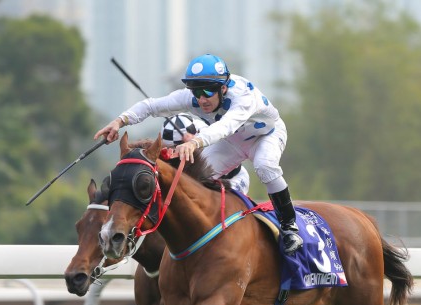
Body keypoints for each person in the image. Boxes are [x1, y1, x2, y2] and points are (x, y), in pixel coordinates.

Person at [94, 53, 303, 253]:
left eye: (208, 91)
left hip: (266, 136)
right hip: (232, 142)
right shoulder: (193, 97)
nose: (202, 98)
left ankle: (289, 227)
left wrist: (195, 142)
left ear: (223, 87)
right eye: (196, 91)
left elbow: (226, 127)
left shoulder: (243, 96)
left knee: (265, 166)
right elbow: (151, 106)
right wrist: (119, 121)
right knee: (196, 180)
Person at [159, 113, 250, 195]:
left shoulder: (207, 133)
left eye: (181, 147)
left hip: (234, 179)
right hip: (208, 182)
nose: (180, 152)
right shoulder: (188, 127)